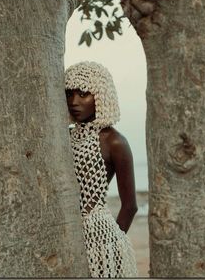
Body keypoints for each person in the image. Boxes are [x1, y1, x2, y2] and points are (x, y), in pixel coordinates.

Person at [65, 61, 138, 278]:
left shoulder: (114, 142)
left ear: (101, 94)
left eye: (84, 93)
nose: (74, 102)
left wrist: (110, 245)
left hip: (100, 237)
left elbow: (130, 206)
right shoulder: (64, 136)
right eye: (69, 94)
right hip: (66, 229)